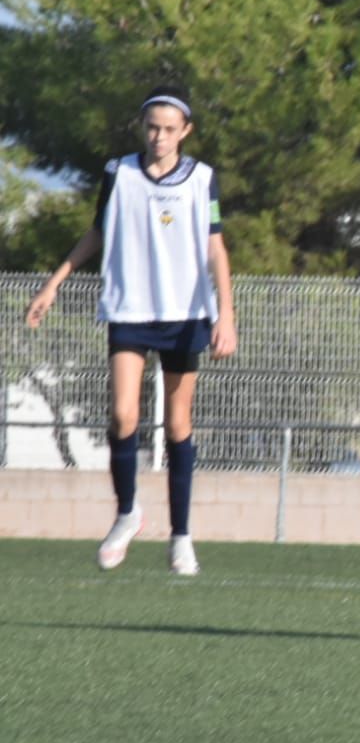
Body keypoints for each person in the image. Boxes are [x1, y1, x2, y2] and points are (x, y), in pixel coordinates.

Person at [24, 85, 238, 575]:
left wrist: (226, 313)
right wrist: (53, 283)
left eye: (168, 129)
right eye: (151, 128)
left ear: (185, 131)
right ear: (142, 128)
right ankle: (127, 514)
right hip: (129, 309)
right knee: (123, 417)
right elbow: (98, 230)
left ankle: (181, 537)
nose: (158, 137)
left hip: (184, 315)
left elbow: (215, 247)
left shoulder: (201, 179)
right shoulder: (118, 173)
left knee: (179, 426)